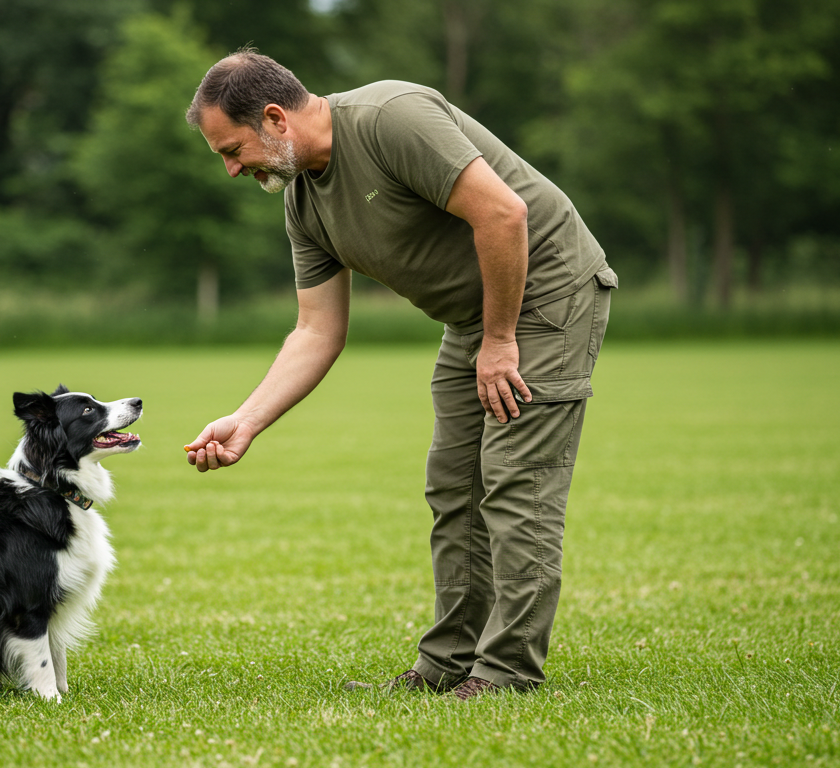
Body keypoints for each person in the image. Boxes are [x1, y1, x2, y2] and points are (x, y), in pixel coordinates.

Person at [182, 49, 618, 700]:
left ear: (274, 118)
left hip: (546, 294)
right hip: (473, 320)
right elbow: (317, 330)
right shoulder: (304, 204)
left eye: (232, 149)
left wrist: (501, 339)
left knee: (514, 484)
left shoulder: (391, 118)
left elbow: (504, 214)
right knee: (454, 489)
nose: (232, 169)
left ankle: (506, 673)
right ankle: (447, 665)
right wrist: (246, 421)